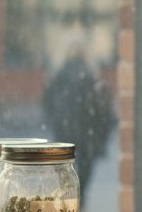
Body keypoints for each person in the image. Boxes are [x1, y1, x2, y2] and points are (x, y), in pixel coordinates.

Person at [42, 41, 117, 201]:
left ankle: (68, 200)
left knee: (65, 168)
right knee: (84, 168)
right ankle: (78, 201)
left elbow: (47, 101)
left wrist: (57, 120)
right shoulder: (89, 76)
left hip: (64, 130)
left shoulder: (59, 76)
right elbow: (100, 107)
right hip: (85, 132)